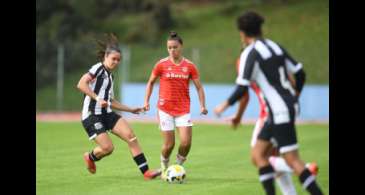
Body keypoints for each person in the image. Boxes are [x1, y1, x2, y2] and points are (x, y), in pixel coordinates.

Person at [214, 11, 323, 195]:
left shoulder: (250, 53)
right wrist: (294, 95)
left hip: (278, 111)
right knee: (258, 155)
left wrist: (223, 106)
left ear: (242, 33)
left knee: (292, 160)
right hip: (282, 109)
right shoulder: (275, 46)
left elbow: (242, 88)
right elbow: (300, 73)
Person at [77, 33, 160, 180]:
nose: (116, 62)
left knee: (131, 137)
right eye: (113, 59)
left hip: (107, 114)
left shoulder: (110, 77)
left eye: (118, 60)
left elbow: (111, 101)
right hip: (91, 115)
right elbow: (81, 84)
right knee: (108, 149)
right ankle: (90, 157)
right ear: (105, 57)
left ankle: (146, 172)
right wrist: (96, 98)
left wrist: (131, 109)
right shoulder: (97, 69)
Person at [143, 31, 208, 178]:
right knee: (169, 145)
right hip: (165, 109)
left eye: (175, 47)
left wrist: (202, 105)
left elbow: (199, 87)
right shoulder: (161, 64)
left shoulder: (190, 66)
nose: (172, 50)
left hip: (183, 109)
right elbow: (151, 82)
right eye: (169, 48)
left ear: (181, 47)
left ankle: (177, 168)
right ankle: (164, 168)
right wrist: (146, 101)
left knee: (186, 143)